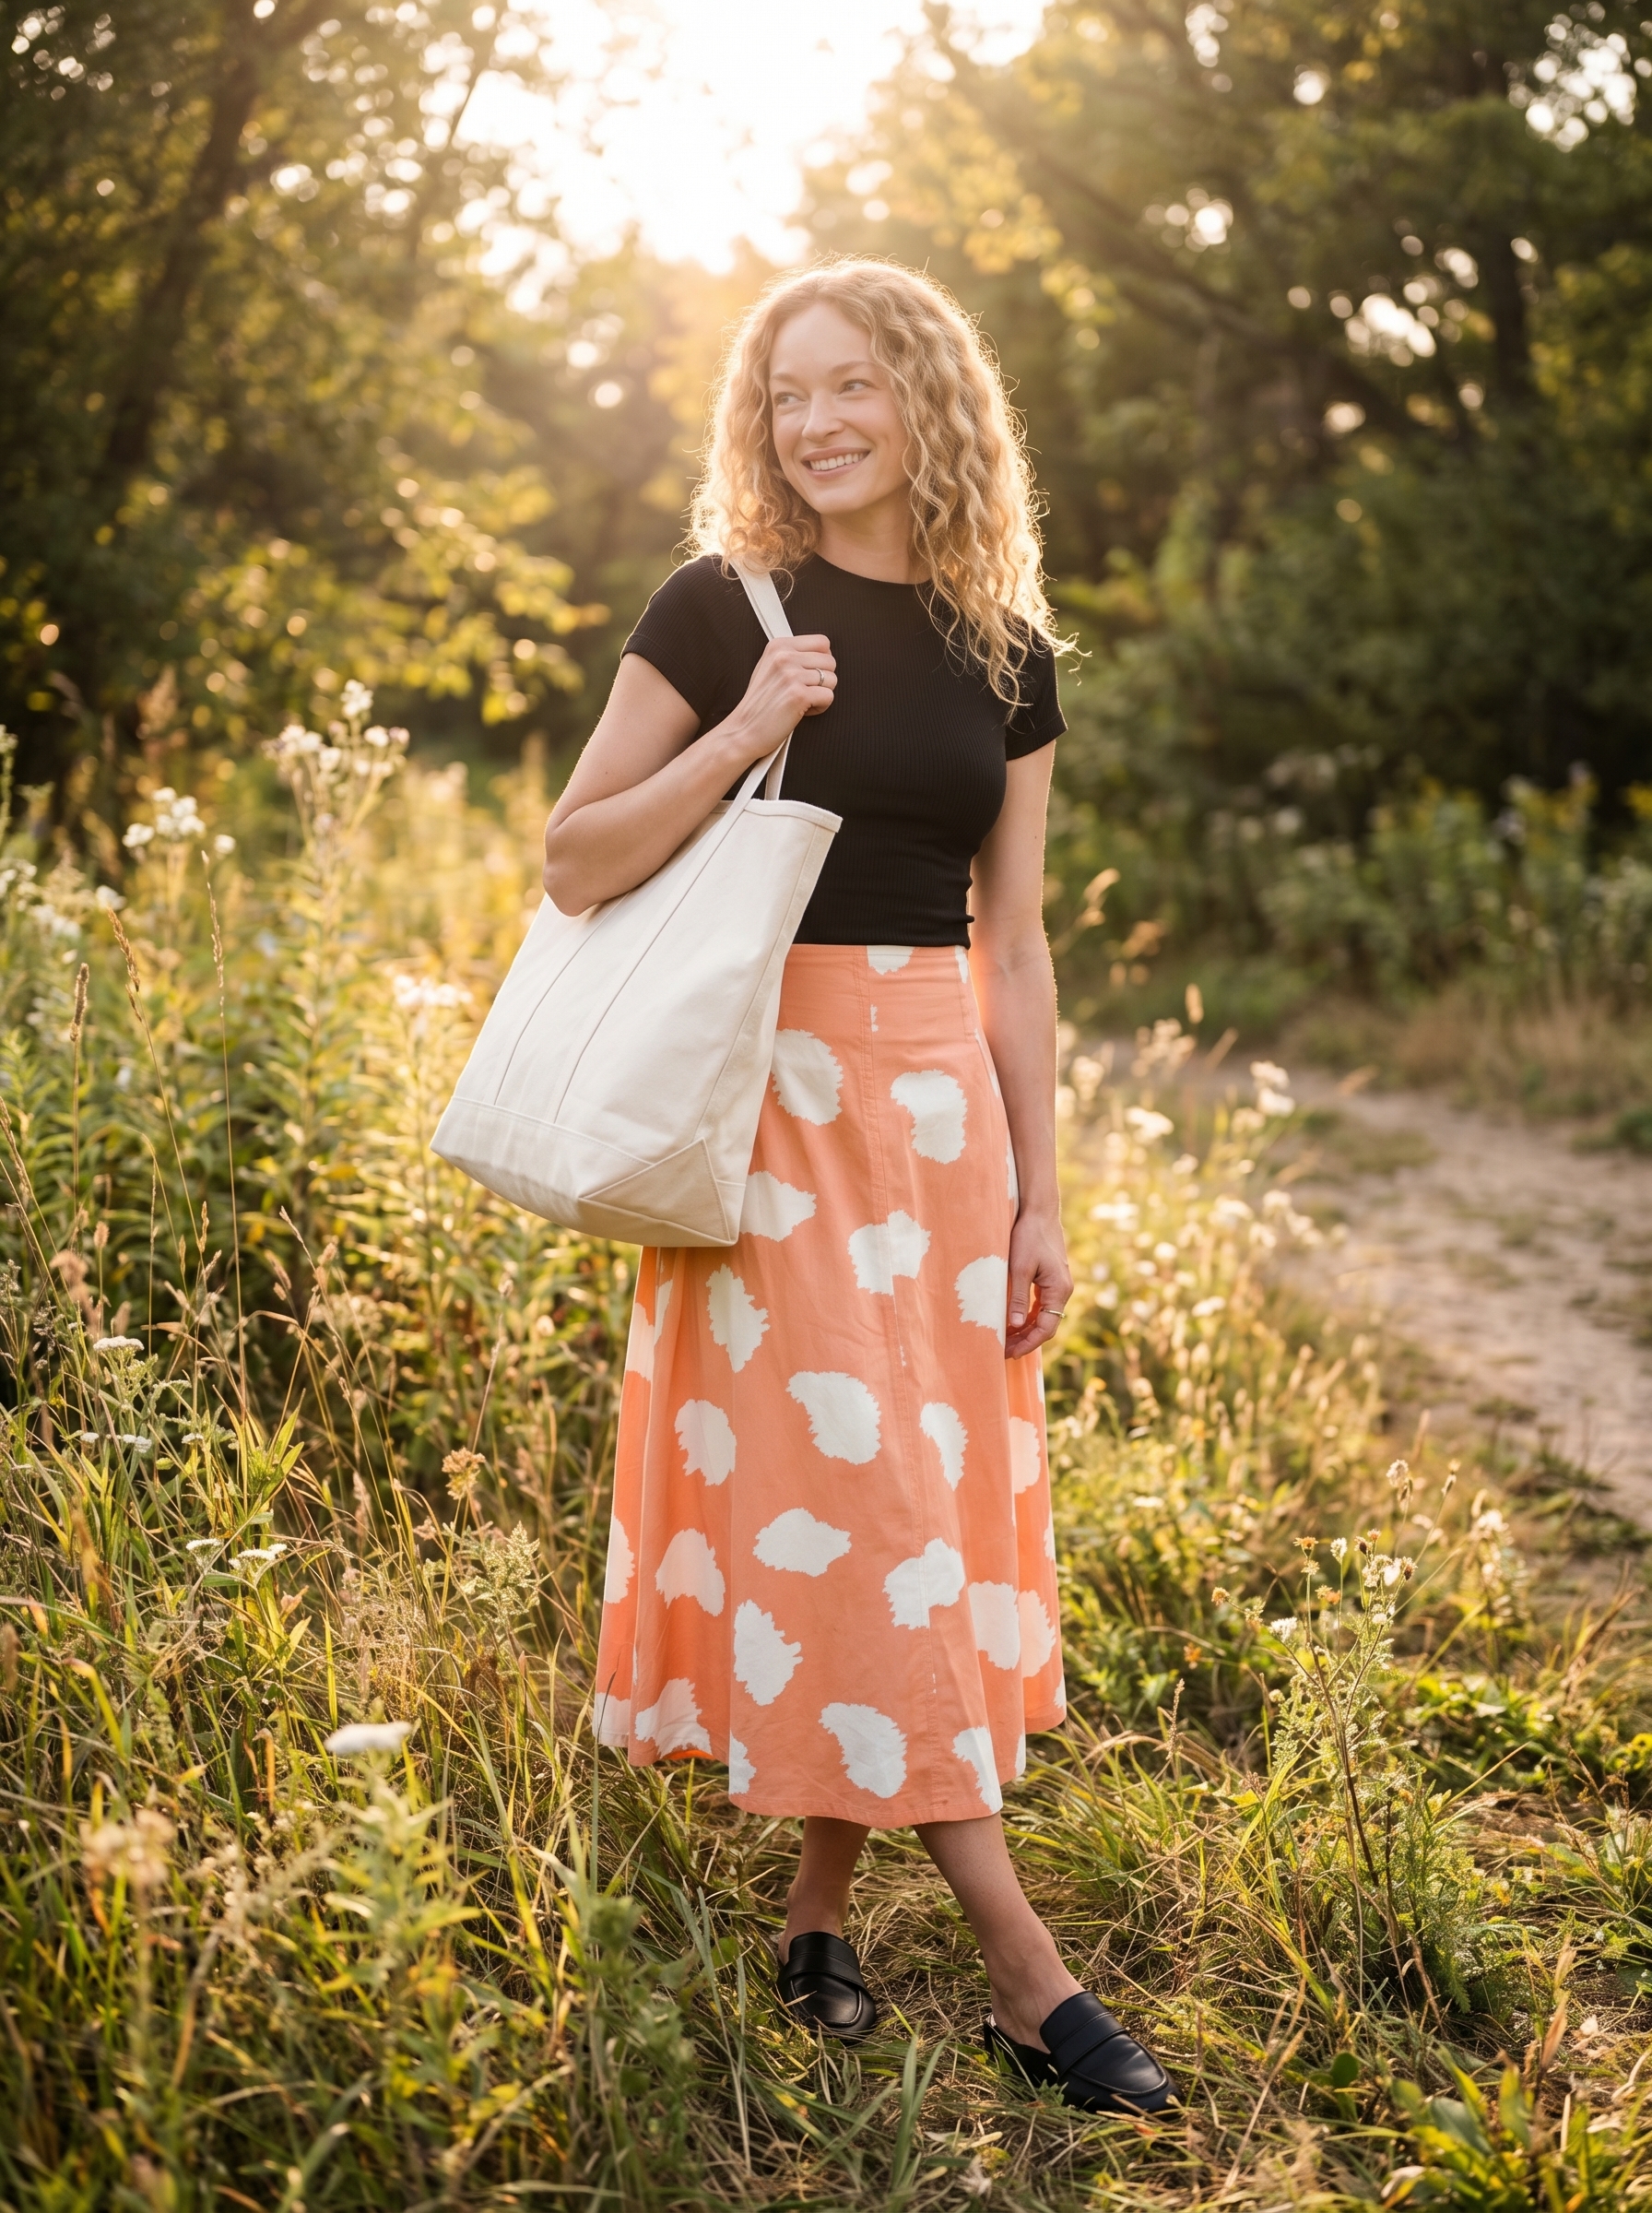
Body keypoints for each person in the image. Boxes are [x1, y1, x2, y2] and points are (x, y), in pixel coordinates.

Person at [541, 258, 1175, 2117]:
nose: (814, 422)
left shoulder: (1003, 648)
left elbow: (1019, 947)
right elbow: (575, 858)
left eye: (850, 387)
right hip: (776, 1111)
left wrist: (1043, 1192)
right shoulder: (716, 608)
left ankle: (818, 1916)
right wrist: (745, 735)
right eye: (785, 393)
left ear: (925, 399)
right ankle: (1025, 1972)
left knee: (903, 1503)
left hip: (942, 1123)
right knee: (871, 1501)